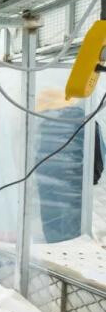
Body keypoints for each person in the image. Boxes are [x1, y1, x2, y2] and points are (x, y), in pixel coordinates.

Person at [34, 88, 103, 243]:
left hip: (49, 188)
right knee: (73, 232)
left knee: (53, 229)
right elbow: (97, 157)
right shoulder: (87, 121)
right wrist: (88, 180)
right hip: (76, 188)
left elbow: (38, 158)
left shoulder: (46, 124)